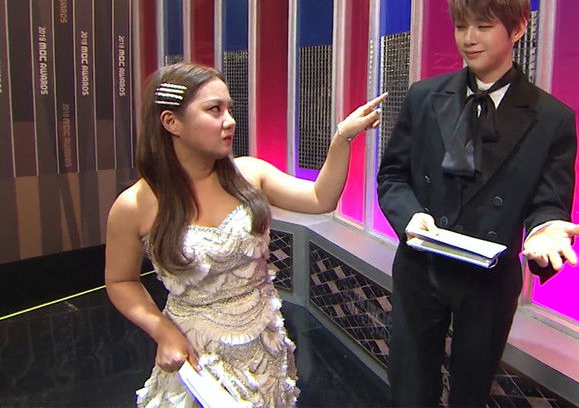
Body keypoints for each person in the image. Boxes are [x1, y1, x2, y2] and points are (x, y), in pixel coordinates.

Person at [105, 62, 386, 407]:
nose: (230, 121)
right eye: (214, 109)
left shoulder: (249, 175)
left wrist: (342, 137)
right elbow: (120, 281)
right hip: (196, 351)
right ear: (171, 122)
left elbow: (320, 198)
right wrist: (162, 330)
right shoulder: (135, 205)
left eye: (229, 109)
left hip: (263, 344)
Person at [377, 0, 579, 406]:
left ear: (518, 27)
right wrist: (410, 217)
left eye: (484, 26)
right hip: (421, 267)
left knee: (471, 393)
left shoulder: (552, 118)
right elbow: (392, 176)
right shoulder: (423, 96)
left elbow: (549, 200)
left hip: (488, 280)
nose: (469, 39)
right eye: (461, 26)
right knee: (409, 390)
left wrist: (546, 228)